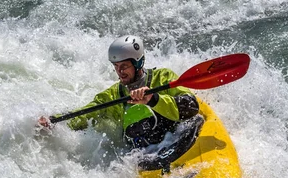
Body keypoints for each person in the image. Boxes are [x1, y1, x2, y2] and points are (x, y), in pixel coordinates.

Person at [38, 35, 200, 148]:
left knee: (143, 109)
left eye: (124, 66)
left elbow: (191, 106)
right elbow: (84, 114)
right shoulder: (111, 96)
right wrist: (54, 121)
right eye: (116, 67)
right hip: (147, 153)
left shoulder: (163, 77)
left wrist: (153, 99)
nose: (119, 72)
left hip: (176, 138)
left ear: (138, 63)